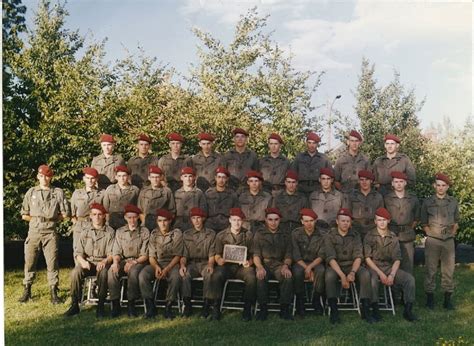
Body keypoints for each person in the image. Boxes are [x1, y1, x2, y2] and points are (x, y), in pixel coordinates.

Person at [19, 164, 69, 304]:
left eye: (47, 176)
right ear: (38, 176)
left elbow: (65, 214)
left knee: (52, 262)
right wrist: (37, 220)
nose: (44, 179)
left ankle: (53, 291)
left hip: (50, 232)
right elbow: (24, 214)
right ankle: (27, 290)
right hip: (34, 231)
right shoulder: (31, 192)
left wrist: (50, 220)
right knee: (29, 261)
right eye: (41, 176)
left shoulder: (58, 192)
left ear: (51, 177)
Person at [364, 208, 418, 322]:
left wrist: (392, 275)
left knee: (409, 279)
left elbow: (397, 259)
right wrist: (381, 274)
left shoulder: (393, 237)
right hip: (374, 267)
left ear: (388, 221)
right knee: (373, 280)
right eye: (379, 220)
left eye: (384, 220)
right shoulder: (369, 236)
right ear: (375, 221)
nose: (382, 222)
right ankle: (375, 308)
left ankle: (408, 310)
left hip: (388, 267)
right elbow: (367, 258)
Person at [324, 208, 373, 324]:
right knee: (329, 276)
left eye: (347, 221)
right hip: (336, 266)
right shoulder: (329, 235)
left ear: (350, 222)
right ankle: (334, 310)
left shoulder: (355, 235)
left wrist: (352, 273)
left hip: (352, 265)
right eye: (342, 221)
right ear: (337, 221)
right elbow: (330, 258)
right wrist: (342, 275)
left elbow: (358, 256)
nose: (345, 223)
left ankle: (365, 308)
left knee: (365, 274)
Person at [64, 203, 114, 317]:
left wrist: (105, 261)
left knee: (104, 273)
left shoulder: (110, 232)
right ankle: (74, 304)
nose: (97, 217)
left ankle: (100, 305)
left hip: (102, 262)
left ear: (104, 216)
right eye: (94, 214)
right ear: (90, 216)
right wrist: (83, 262)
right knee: (75, 272)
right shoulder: (85, 231)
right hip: (88, 263)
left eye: (100, 214)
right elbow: (78, 252)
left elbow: (112, 253)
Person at [421, 173, 459, 310]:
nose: (441, 188)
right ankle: (429, 298)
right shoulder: (427, 202)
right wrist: (429, 233)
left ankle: (447, 299)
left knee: (448, 270)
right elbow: (424, 222)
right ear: (434, 186)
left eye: (443, 185)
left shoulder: (453, 202)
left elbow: (456, 222)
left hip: (448, 240)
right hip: (433, 240)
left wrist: (452, 233)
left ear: (447, 187)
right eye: (438, 185)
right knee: (430, 269)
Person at [213, 208, 256, 321]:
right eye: (234, 220)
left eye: (239, 220)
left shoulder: (248, 235)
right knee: (217, 275)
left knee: (251, 276)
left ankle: (247, 309)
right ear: (229, 220)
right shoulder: (221, 235)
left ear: (242, 221)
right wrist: (219, 260)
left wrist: (249, 262)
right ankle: (216, 308)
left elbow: (253, 254)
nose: (237, 223)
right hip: (226, 267)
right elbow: (216, 254)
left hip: (242, 267)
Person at [139, 209, 183, 319]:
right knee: (143, 275)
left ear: (170, 221)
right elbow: (151, 256)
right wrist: (156, 267)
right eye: (160, 221)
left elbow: (178, 255)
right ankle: (150, 306)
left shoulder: (176, 234)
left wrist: (167, 269)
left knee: (176, 276)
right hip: (157, 263)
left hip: (172, 264)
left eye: (165, 221)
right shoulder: (154, 234)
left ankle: (168, 306)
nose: (162, 223)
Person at [108, 204, 149, 318]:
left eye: (134, 217)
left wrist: (133, 262)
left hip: (138, 261)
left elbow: (145, 255)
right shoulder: (120, 232)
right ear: (125, 218)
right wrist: (116, 263)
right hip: (123, 260)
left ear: (138, 218)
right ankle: (115, 304)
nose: (132, 220)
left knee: (134, 272)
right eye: (129, 217)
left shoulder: (144, 231)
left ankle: (131, 304)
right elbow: (116, 251)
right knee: (112, 272)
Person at [253, 208, 294, 320]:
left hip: (279, 264)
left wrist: (286, 266)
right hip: (264, 263)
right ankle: (263, 309)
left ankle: (284, 309)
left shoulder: (286, 234)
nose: (273, 222)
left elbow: (289, 254)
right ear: (265, 220)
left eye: (276, 219)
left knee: (287, 277)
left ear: (280, 220)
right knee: (261, 277)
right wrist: (259, 267)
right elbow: (256, 254)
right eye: (270, 219)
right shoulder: (259, 234)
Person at [180, 208, 218, 318]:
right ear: (191, 220)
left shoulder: (210, 234)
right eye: (193, 218)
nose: (196, 221)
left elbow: (211, 254)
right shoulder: (186, 234)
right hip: (191, 263)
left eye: (198, 218)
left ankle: (206, 305)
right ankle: (187, 305)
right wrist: (182, 265)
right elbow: (184, 255)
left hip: (205, 262)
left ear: (203, 219)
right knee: (185, 275)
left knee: (209, 274)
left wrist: (211, 265)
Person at [384, 171, 420, 274]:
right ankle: (394, 289)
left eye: (401, 181)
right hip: (391, 234)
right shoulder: (387, 198)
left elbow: (416, 218)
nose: (399, 184)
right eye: (396, 182)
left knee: (408, 265)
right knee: (392, 265)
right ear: (392, 183)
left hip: (407, 235)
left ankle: (407, 289)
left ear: (405, 183)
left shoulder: (413, 198)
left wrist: (408, 227)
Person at [292, 208, 325, 317]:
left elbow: (321, 255)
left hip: (315, 262)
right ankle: (300, 303)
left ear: (315, 221)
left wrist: (310, 267)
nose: (309, 224)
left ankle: (316, 300)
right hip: (300, 262)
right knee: (297, 272)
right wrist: (306, 268)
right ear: (302, 221)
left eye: (311, 221)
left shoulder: (322, 234)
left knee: (321, 271)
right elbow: (296, 255)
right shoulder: (296, 234)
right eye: (306, 221)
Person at [70, 167, 103, 251]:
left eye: (92, 178)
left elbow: (105, 212)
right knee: (78, 250)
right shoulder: (77, 193)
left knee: (93, 249)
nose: (90, 180)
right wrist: (76, 224)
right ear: (84, 179)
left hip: (95, 224)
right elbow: (72, 212)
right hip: (80, 225)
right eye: (88, 178)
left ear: (96, 179)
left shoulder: (102, 193)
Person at [345, 170, 384, 240]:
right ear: (359, 181)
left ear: (371, 181)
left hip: (372, 229)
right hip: (355, 229)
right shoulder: (352, 196)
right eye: (362, 180)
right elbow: (347, 213)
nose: (364, 182)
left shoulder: (378, 196)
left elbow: (381, 215)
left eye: (367, 180)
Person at [292, 132, 332, 198]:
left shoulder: (324, 158)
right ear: (306, 143)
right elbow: (293, 174)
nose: (311, 145)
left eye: (314, 143)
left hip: (318, 191)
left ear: (317, 144)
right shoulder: (299, 157)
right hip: (301, 191)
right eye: (309, 143)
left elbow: (331, 176)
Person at [137, 165, 176, 232]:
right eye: (153, 177)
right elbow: (140, 210)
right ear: (149, 178)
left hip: (161, 225)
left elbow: (172, 211)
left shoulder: (167, 191)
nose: (155, 179)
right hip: (146, 224)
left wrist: (165, 225)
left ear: (161, 177)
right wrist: (145, 223)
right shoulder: (143, 191)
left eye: (157, 177)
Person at [221, 128, 259, 193]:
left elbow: (257, 174)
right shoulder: (227, 155)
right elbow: (223, 173)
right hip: (231, 189)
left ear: (246, 139)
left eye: (242, 137)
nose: (240, 139)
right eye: (237, 137)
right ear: (234, 139)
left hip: (247, 190)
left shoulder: (252, 155)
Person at [309, 167, 345, 235]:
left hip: (334, 231)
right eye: (323, 179)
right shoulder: (313, 196)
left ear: (332, 180)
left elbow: (344, 215)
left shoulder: (339, 196)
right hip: (316, 231)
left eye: (328, 179)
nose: (326, 181)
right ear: (319, 180)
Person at [102, 165, 139, 230]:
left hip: (128, 221)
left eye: (124, 176)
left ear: (128, 177)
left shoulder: (134, 190)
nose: (122, 178)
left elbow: (138, 207)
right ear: (116, 177)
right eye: (119, 176)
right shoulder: (110, 189)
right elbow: (105, 207)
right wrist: (107, 221)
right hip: (112, 221)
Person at [205, 167, 240, 233]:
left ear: (227, 179)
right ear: (215, 178)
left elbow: (236, 212)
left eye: (223, 177)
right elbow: (204, 210)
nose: (221, 180)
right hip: (210, 224)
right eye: (219, 177)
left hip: (226, 224)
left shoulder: (232, 194)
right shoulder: (208, 193)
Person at [259, 133, 291, 197]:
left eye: (276, 144)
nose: (273, 146)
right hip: (264, 192)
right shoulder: (262, 161)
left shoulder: (286, 162)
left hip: (281, 193)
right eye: (271, 144)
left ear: (280, 145)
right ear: (268, 145)